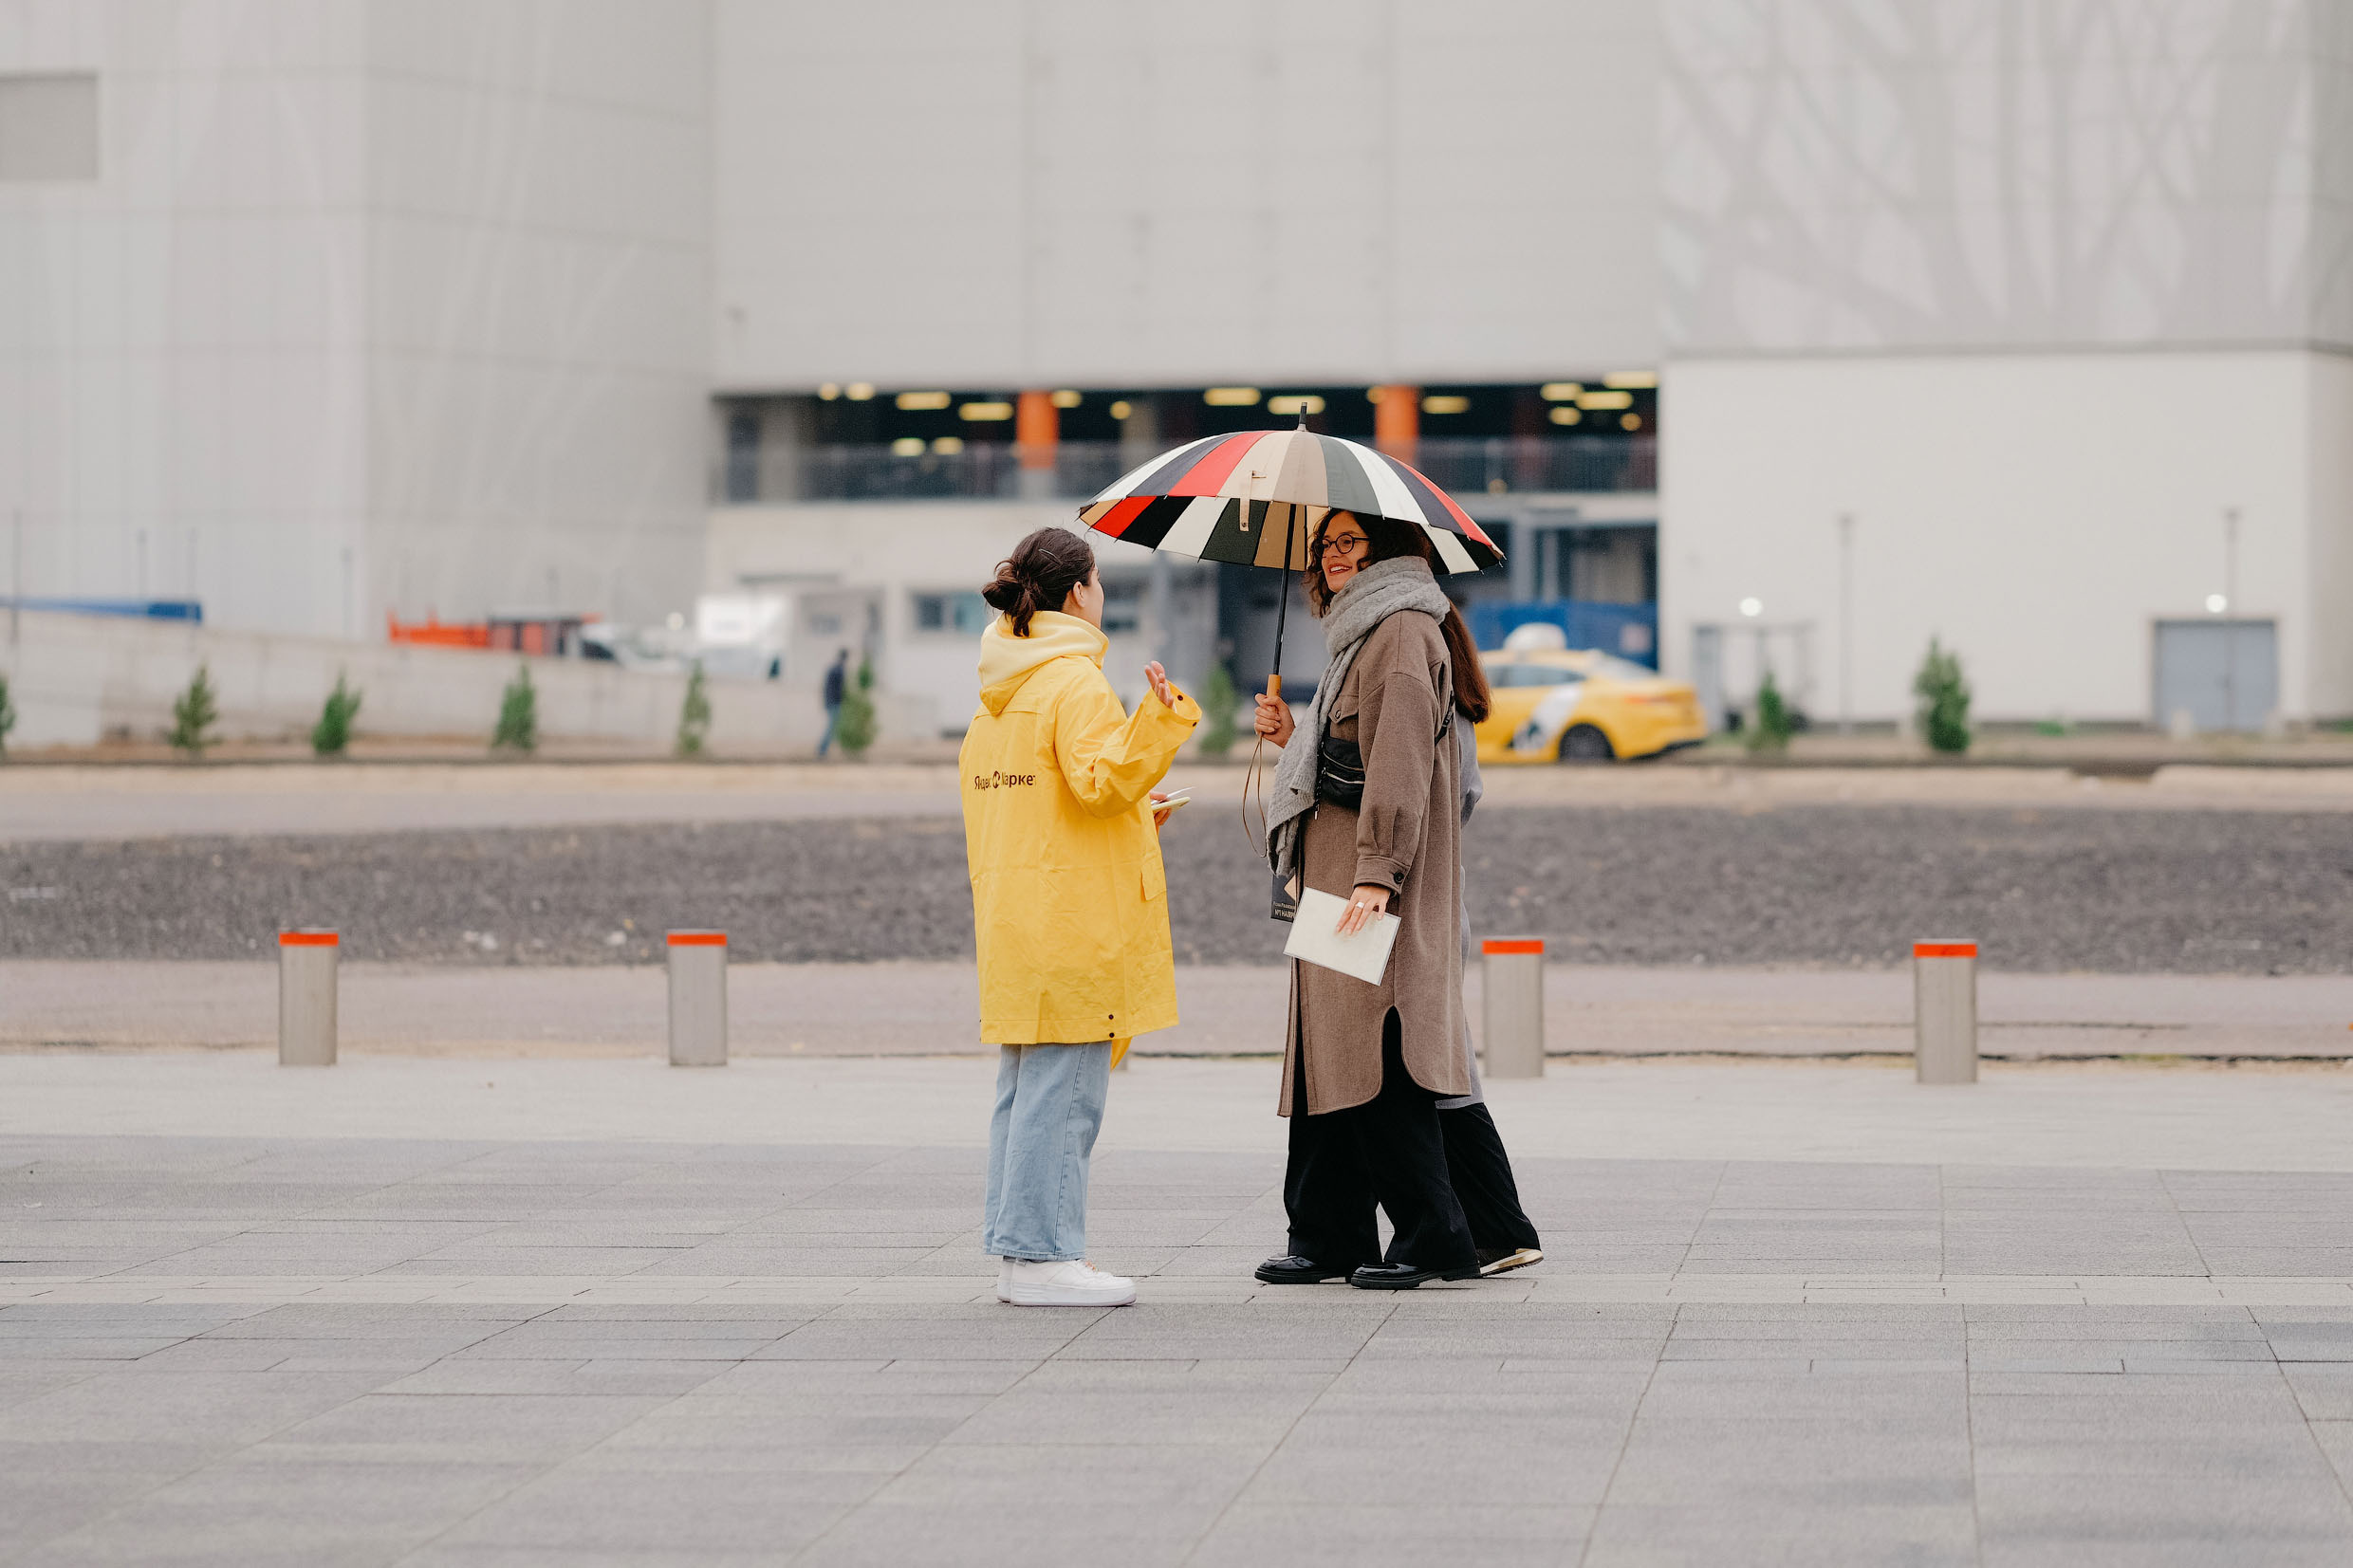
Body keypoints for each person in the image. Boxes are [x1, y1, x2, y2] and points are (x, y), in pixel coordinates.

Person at [1248, 508, 1491, 1290]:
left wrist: (1377, 873)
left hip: (1369, 884)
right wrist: (1293, 737)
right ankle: (1326, 1234)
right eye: (1325, 544)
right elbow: (1347, 757)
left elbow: (1397, 766)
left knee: (1381, 1053)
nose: (1332, 555)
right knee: (1329, 1054)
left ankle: (1434, 1235)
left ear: (1386, 546)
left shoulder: (1402, 633)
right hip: (1336, 880)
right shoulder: (1360, 636)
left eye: (1348, 540)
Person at [960, 527, 1198, 1307]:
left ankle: (1019, 1250)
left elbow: (1050, 803)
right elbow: (1100, 784)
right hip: (1072, 921)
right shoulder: (1075, 682)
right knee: (1065, 1097)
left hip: (1017, 916)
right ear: (1077, 593)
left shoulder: (1000, 690)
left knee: (1024, 1092)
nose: (1102, 596)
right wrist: (1158, 720)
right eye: (1097, 583)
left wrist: (1133, 813)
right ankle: (1044, 1257)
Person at [1437, 710, 1545, 1276]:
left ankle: (1497, 1229)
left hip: (1405, 900)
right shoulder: (1443, 680)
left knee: (1439, 1067)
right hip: (1421, 896)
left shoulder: (1423, 675)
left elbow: (1446, 797)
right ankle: (1496, 1228)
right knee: (1440, 1064)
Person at [816, 647, 849, 757]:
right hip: (835, 702)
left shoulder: (833, 668)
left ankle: (824, 749)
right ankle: (822, 750)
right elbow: (839, 689)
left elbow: (826, 687)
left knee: (833, 727)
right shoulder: (839, 670)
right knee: (832, 727)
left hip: (830, 701)